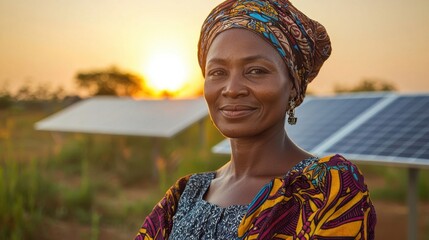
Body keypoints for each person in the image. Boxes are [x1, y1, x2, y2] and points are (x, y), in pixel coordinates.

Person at [135, 0, 376, 239]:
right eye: (217, 72)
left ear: (292, 85)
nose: (231, 89)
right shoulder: (183, 195)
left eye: (256, 71)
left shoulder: (329, 189)